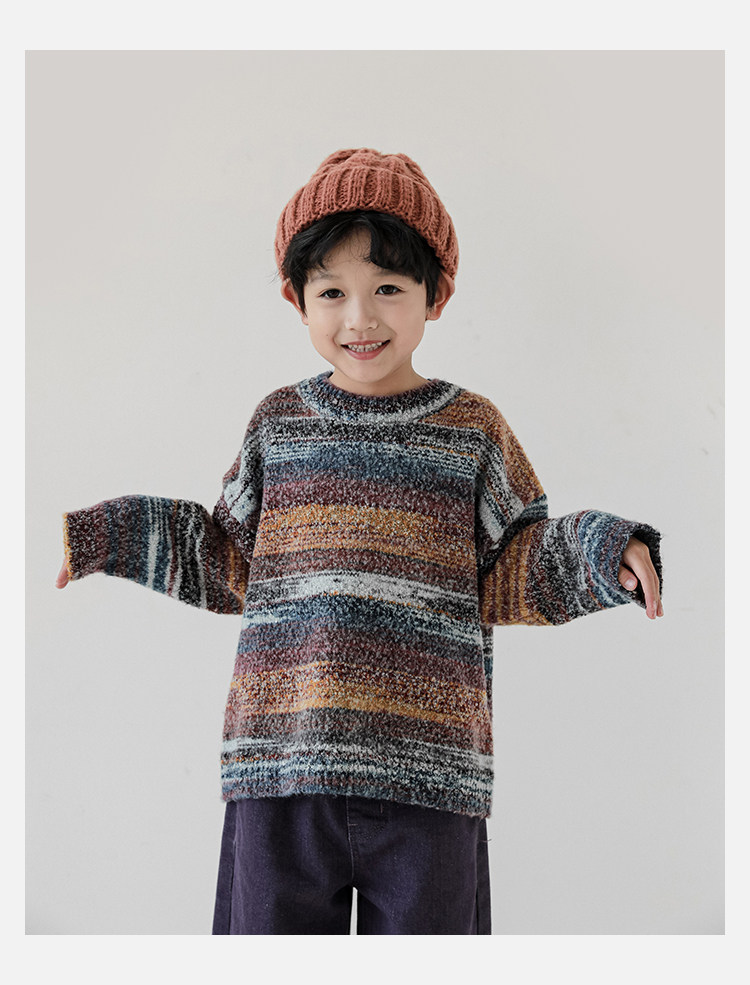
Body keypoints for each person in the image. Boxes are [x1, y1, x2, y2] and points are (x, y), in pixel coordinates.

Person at [56, 148, 663, 935]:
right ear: (297, 299)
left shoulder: (472, 431)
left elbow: (517, 561)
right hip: (282, 770)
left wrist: (605, 553)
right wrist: (102, 533)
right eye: (332, 292)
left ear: (436, 294)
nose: (360, 319)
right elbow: (226, 555)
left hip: (429, 778)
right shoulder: (279, 424)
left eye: (388, 289)